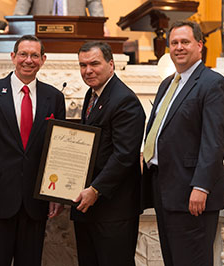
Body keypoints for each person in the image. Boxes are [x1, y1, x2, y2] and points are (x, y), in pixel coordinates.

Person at [0, 35, 66, 266]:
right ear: (13, 57)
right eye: (23, 54)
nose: (28, 60)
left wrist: (56, 194)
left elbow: (57, 150)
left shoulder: (54, 97)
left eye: (34, 55)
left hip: (36, 199)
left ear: (43, 60)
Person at [141, 20, 224, 266]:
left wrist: (201, 187)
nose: (178, 47)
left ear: (200, 46)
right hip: (165, 190)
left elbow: (214, 141)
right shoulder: (168, 84)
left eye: (185, 42)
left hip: (192, 193)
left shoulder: (213, 83)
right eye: (174, 43)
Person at [71, 41, 146, 266]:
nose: (88, 70)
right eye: (83, 65)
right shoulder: (92, 94)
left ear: (111, 64)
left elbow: (124, 155)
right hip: (89, 206)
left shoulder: (125, 100)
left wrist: (95, 189)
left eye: (94, 63)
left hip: (114, 209)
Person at [13, 0, 104, 16]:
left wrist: (101, 26)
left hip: (77, 33)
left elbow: (94, 1)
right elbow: (24, 2)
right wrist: (15, 23)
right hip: (39, 33)